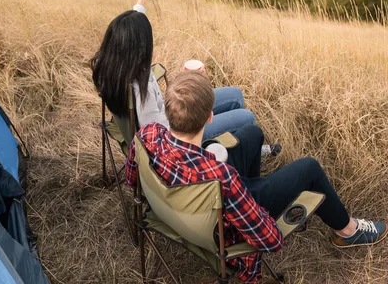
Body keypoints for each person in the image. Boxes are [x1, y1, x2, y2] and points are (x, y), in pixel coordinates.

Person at [126, 71, 387, 284]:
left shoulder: (147, 134)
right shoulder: (221, 177)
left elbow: (131, 179)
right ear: (210, 117)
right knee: (309, 167)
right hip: (219, 221)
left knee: (251, 133)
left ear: (169, 112)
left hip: (180, 204)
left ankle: (254, 192)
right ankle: (347, 230)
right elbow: (269, 239)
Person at [92, 0, 268, 143]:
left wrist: (141, 0)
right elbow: (157, 134)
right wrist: (187, 89)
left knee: (235, 94)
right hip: (178, 133)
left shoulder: (110, 65)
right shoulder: (140, 89)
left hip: (171, 112)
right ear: (138, 49)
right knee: (246, 117)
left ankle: (236, 145)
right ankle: (236, 151)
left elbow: (128, 30)